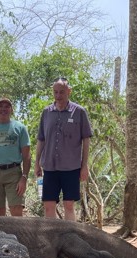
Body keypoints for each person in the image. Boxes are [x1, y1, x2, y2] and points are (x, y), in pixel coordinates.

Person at [35, 77, 93, 221]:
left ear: (69, 91)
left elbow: (86, 139)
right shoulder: (46, 112)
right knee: (48, 205)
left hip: (71, 167)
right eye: (55, 92)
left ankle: (70, 239)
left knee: (69, 205)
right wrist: (37, 163)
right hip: (49, 166)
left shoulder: (79, 112)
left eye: (62, 92)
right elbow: (41, 139)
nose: (58, 96)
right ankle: (51, 239)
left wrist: (84, 165)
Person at [0, 97, 32, 216]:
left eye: (7, 106)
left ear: (12, 110)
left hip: (13, 173)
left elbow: (27, 155)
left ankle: (18, 235)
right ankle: (2, 235)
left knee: (16, 210)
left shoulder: (20, 128)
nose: (3, 109)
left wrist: (24, 178)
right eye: (0, 106)